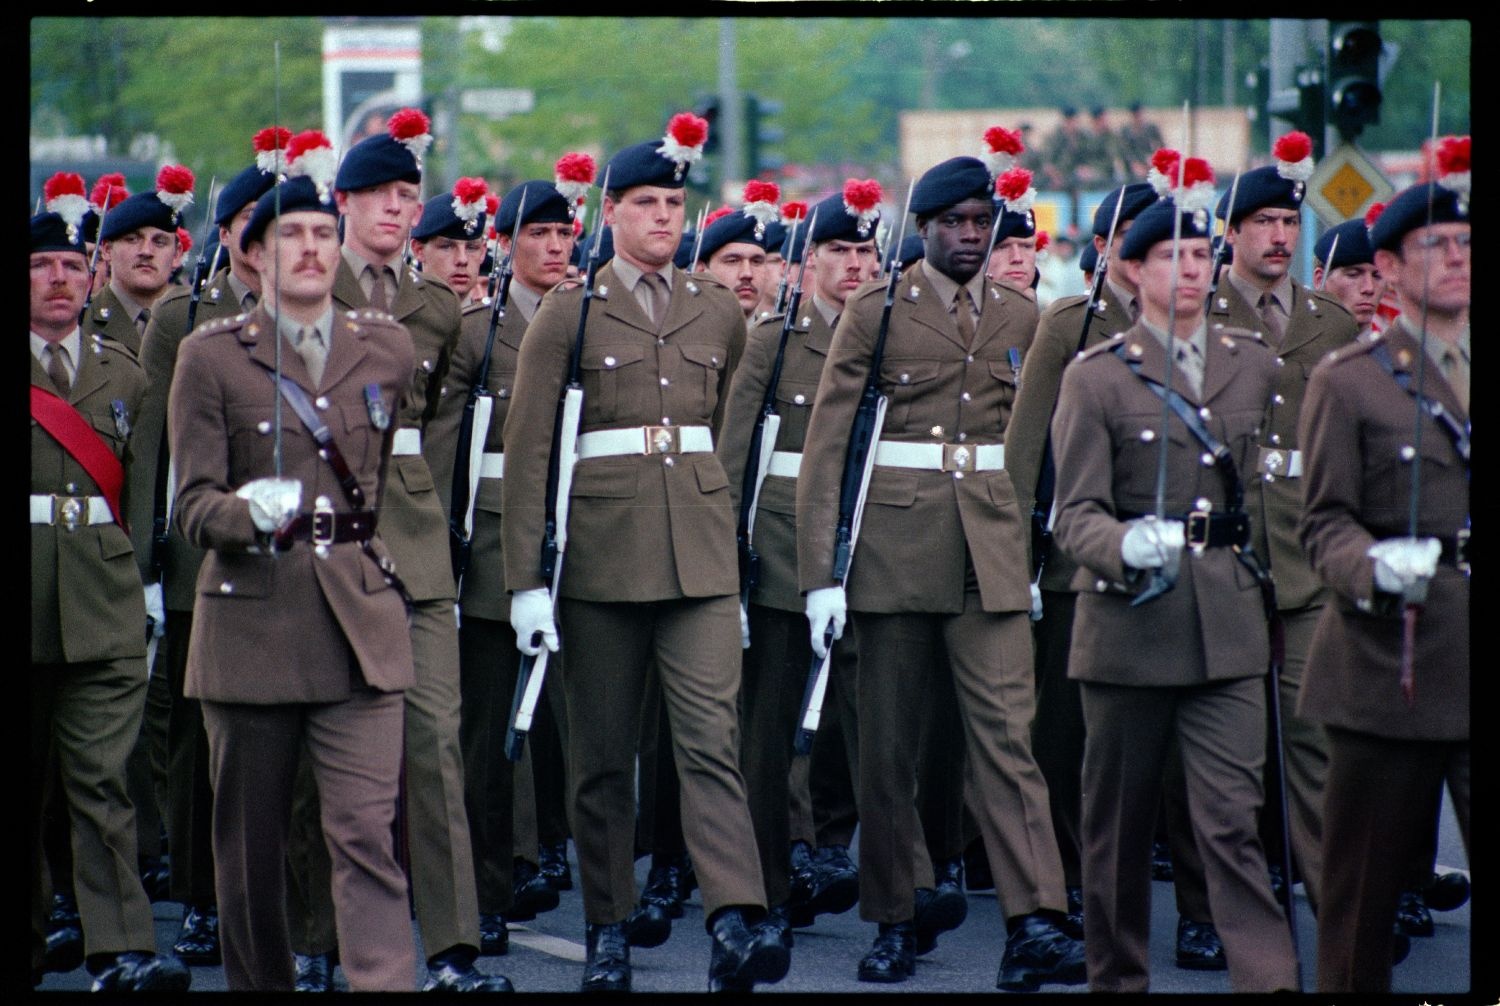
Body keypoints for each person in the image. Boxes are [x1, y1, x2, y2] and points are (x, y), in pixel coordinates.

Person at [501, 115, 790, 994]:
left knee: (710, 740)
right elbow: (529, 449)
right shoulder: (571, 308)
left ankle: (735, 919)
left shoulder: (713, 307)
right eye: (647, 204)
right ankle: (608, 924)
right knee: (600, 756)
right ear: (611, 212)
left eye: (675, 203)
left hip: (699, 554)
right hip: (599, 555)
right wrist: (525, 581)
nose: (665, 218)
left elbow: (730, 428)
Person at [796, 153, 1084, 991]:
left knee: (1006, 740)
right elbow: (829, 445)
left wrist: (1034, 550)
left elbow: (1035, 446)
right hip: (891, 550)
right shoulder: (877, 311)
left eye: (979, 223)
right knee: (887, 749)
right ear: (922, 230)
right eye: (953, 223)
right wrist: (821, 571)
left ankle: (1035, 921)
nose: (968, 236)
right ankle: (894, 917)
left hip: (987, 549)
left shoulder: (1019, 313)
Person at [278, 109, 505, 993]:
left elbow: (433, 425)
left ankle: (452, 951)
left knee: (434, 747)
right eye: (381, 195)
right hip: (317, 536)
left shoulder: (438, 305)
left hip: (410, 538)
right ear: (343, 202)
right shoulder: (299, 289)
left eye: (410, 196)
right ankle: (315, 943)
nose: (399, 210)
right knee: (318, 755)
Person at [1049, 186, 1299, 993]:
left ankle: (1268, 980)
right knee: (1117, 834)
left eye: (1201, 254)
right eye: (1170, 257)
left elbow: (1275, 494)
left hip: (1227, 623)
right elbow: (1072, 514)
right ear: (1132, 269)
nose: (1192, 269)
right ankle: (1117, 980)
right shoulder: (1097, 377)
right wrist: (1122, 543)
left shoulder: (1253, 363)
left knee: (1233, 824)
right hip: (1128, 628)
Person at [1298, 165, 1469, 994]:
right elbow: (1321, 522)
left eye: (1469, 244)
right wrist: (1371, 565)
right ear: (1390, 269)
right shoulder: (1352, 378)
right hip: (1387, 659)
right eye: (1435, 245)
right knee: (1361, 904)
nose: (1459, 259)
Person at [30, 194, 192, 994]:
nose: (59, 280)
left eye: (70, 264)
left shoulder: (123, 373)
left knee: (101, 780)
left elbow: (147, 489)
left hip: (103, 598)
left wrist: (146, 583)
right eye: (40, 266)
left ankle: (121, 948)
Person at [716, 183, 882, 945]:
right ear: (808, 260)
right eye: (838, 251)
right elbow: (734, 456)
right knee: (771, 729)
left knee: (867, 727)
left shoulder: (892, 334)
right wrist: (731, 569)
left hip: (878, 548)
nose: (853, 265)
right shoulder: (775, 339)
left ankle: (874, 882)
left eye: (864, 251)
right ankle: (770, 888)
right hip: (781, 551)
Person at [132, 139, 280, 970]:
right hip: (202, 558)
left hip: (296, 555)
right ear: (228, 235)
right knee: (196, 740)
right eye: (261, 228)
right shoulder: (183, 319)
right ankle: (198, 897)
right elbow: (153, 451)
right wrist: (149, 570)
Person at [422, 177, 579, 957]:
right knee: (486, 736)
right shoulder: (477, 332)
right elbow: (444, 452)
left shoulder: (592, 320)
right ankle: (483, 892)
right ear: (505, 244)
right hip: (489, 548)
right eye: (538, 234)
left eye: (564, 234)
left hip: (589, 538)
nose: (554, 248)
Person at [1003, 180, 1158, 953]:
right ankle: (1062, 876)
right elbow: (1027, 447)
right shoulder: (1071, 323)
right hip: (1075, 560)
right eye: (1132, 233)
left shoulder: (1202, 327)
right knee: (1063, 733)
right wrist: (1018, 561)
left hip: (1174, 563)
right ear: (1102, 249)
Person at [1210, 133, 1361, 917]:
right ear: (1230, 233)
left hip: (1305, 553)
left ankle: (1336, 901)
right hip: (1222, 556)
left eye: (1288, 222)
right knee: (1227, 752)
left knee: (1312, 734)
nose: (1278, 236)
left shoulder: (1330, 321)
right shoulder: (1198, 314)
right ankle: (1221, 910)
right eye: (1262, 221)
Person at [88, 166, 194, 357]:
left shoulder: (195, 321)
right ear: (106, 250)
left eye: (159, 242)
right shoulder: (80, 320)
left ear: (177, 254)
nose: (146, 251)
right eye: (132, 239)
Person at [694, 206, 770, 324]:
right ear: (701, 271)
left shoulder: (780, 340)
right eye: (733, 261)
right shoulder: (679, 337)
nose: (747, 274)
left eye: (756, 262)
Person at [1312, 215, 1386, 334]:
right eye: (1353, 275)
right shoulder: (1294, 346)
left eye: (1377, 276)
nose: (1369, 288)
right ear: (1320, 279)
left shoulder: (1395, 350)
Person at [1118, 102, 1167, 181]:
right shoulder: (1126, 131)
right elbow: (1125, 151)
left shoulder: (1151, 128)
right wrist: (1134, 164)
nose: (1138, 117)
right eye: (1136, 115)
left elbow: (1161, 146)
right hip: (1133, 169)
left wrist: (1154, 159)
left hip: (1150, 164)